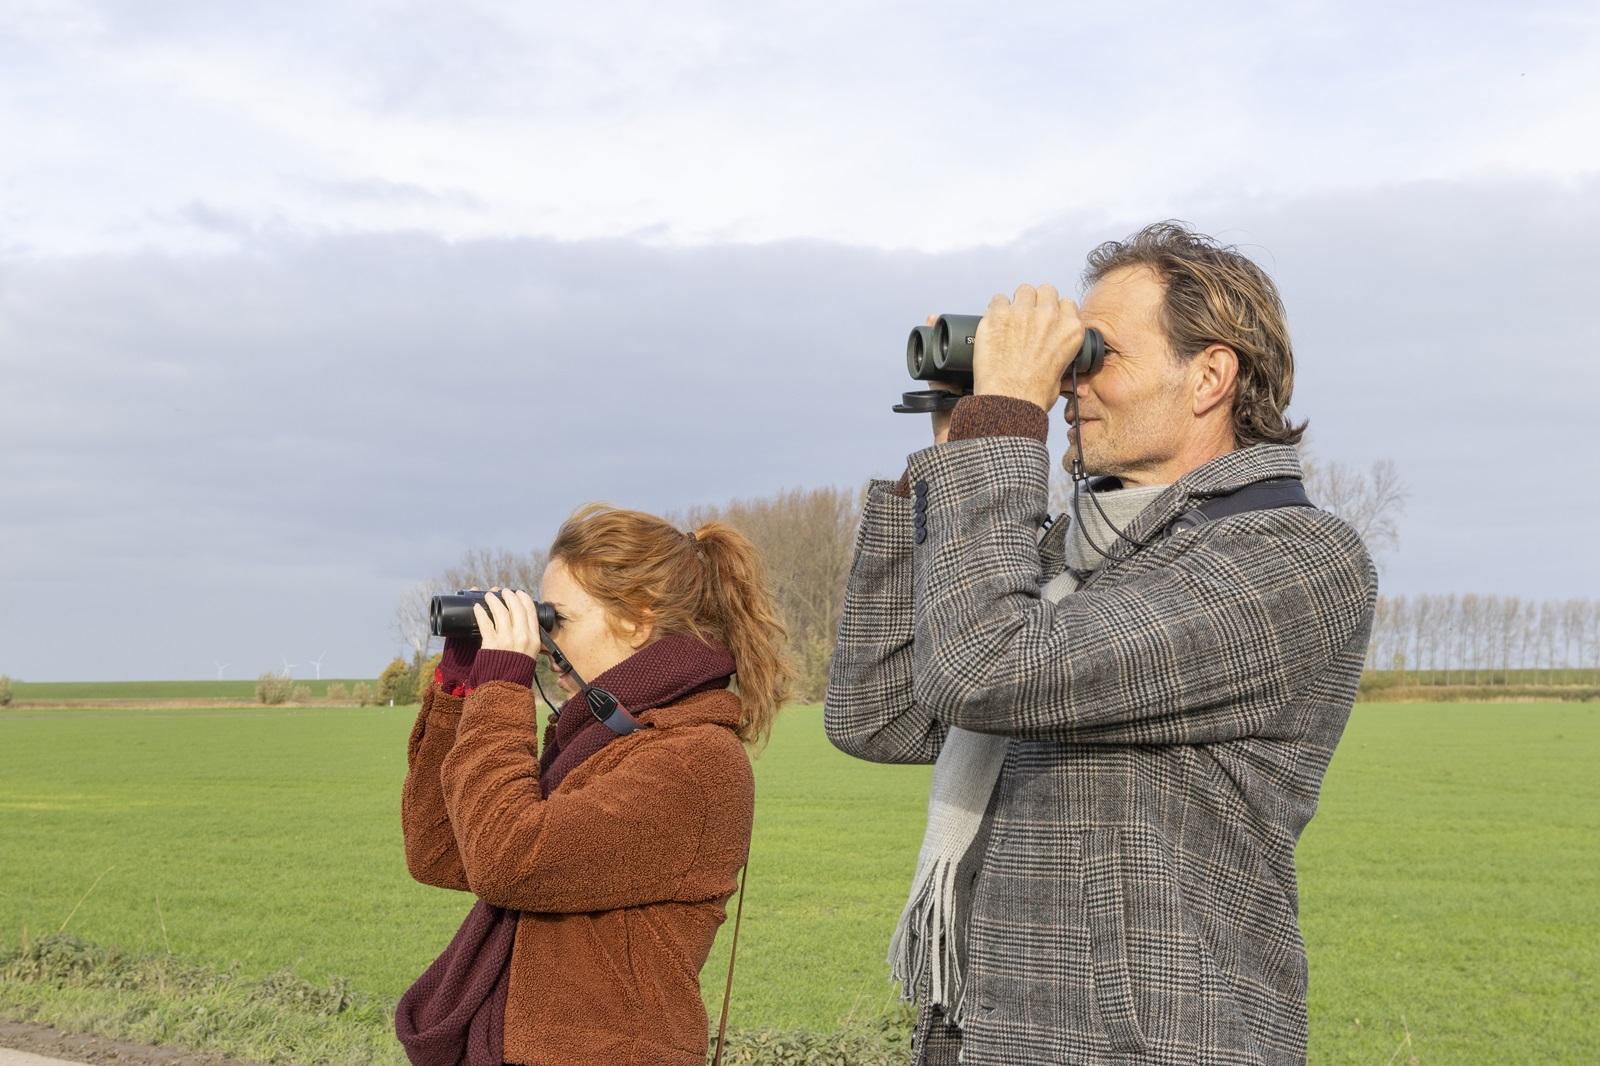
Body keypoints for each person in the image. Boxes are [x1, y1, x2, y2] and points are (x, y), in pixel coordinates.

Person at [826, 222, 1378, 1066]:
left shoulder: (1293, 558)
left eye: (1096, 354)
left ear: (1210, 376)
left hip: (1148, 1039)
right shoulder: (1067, 557)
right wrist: (949, 457)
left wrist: (1006, 426)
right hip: (989, 1034)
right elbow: (878, 713)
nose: (1069, 385)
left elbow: (989, 667)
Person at [398, 504, 794, 1066]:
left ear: (636, 619)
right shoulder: (601, 740)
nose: (545, 641)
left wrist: (504, 687)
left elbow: (510, 859)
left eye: (556, 620)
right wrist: (464, 689)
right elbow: (439, 852)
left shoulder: (694, 761)